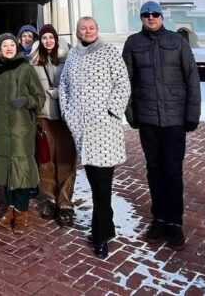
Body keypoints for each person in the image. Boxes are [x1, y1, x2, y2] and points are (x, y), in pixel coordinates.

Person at [123, 1, 201, 251]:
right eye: (146, 15)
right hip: (148, 119)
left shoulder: (177, 42)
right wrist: (131, 113)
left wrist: (192, 114)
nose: (151, 18)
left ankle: (175, 222)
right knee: (154, 170)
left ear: (161, 16)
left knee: (173, 170)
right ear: (141, 18)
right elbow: (126, 81)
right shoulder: (133, 43)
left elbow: (192, 78)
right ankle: (159, 218)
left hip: (174, 119)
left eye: (155, 14)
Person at [60, 17, 131, 258]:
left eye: (91, 27)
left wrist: (111, 111)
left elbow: (123, 84)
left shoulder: (110, 52)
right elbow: (64, 86)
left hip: (104, 129)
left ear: (97, 30)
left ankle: (100, 234)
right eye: (83, 28)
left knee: (103, 184)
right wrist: (68, 113)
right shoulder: (73, 55)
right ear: (77, 31)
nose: (87, 31)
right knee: (94, 181)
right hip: (82, 129)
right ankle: (107, 225)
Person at [0, 33, 46, 234]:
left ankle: (22, 212)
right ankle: (11, 209)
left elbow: (39, 97)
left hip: (20, 129)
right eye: (4, 45)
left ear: (17, 47)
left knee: (20, 169)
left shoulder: (26, 69)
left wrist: (27, 101)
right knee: (6, 169)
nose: (8, 48)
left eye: (11, 45)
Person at [29, 24, 76, 227]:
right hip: (43, 116)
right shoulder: (33, 62)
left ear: (56, 39)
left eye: (51, 37)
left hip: (65, 118)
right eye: (44, 38)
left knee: (66, 160)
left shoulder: (69, 59)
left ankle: (65, 203)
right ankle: (49, 198)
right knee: (45, 159)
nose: (48, 41)